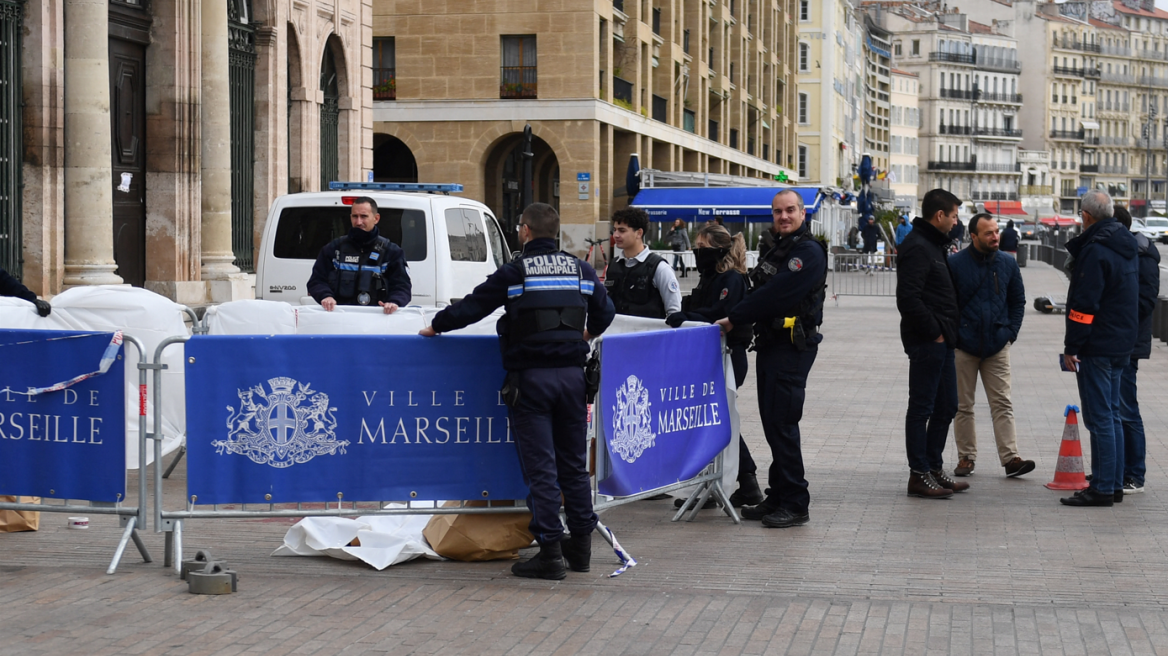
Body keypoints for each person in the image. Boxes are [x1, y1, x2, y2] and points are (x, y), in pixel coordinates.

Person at [419, 203, 615, 579]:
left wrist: (436, 326)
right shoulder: (582, 270)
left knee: (541, 469)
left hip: (533, 381)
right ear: (555, 232)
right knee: (573, 467)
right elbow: (605, 313)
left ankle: (551, 554)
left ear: (525, 231)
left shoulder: (515, 272)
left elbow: (473, 307)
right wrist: (583, 334)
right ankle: (581, 550)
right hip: (574, 380)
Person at [715, 189, 826, 529]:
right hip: (772, 344)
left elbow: (776, 294)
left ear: (803, 213)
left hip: (792, 346)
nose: (784, 217)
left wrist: (734, 317)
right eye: (778, 212)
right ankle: (777, 495)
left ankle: (795, 501)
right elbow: (756, 288)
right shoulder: (778, 247)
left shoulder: (806, 251)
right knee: (773, 421)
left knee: (782, 422)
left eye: (790, 210)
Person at [666, 224, 762, 507]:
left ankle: (747, 479)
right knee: (713, 420)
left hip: (729, 355)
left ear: (719, 249)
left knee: (720, 420)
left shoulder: (731, 278)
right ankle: (713, 482)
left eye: (702, 247)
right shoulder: (711, 277)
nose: (697, 252)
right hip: (711, 356)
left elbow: (720, 313)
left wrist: (685, 316)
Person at [1060, 190, 1139, 508]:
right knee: (1114, 415)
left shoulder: (1095, 249)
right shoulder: (1125, 244)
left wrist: (1072, 345)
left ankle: (1103, 487)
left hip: (1098, 343)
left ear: (1087, 217)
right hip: (1121, 341)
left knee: (1100, 417)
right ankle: (1114, 482)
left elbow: (1085, 304)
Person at [948, 213, 1035, 479]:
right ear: (973, 236)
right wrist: (955, 336)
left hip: (997, 345)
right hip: (964, 346)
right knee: (963, 405)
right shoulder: (955, 264)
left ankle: (1011, 458)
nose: (995, 236)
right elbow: (947, 304)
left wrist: (1011, 333)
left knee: (1002, 404)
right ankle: (966, 458)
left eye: (996, 231)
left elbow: (1018, 301)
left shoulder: (1008, 263)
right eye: (988, 233)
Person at [896, 188, 967, 499]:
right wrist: (934, 331)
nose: (955, 222)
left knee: (948, 404)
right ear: (939, 215)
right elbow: (908, 298)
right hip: (928, 341)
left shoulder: (933, 244)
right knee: (922, 407)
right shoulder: (918, 246)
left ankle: (933, 467)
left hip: (943, 341)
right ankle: (918, 474)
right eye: (953, 216)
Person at [1114, 206, 1158, 495]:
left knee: (1127, 408)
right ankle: (1115, 470)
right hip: (1114, 339)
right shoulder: (1122, 251)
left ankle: (1134, 474)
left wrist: (1113, 316)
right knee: (1112, 409)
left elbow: (1145, 301)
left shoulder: (1141, 254)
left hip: (1127, 341)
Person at [306, 196, 411, 313]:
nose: (358, 222)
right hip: (338, 318)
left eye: (364, 216)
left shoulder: (392, 252)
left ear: (376, 218)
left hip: (377, 320)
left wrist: (394, 302)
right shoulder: (334, 248)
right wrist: (325, 296)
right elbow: (316, 281)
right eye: (355, 216)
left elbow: (402, 287)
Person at [606, 207, 681, 319]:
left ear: (639, 233)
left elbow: (674, 312)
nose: (615, 235)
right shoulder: (613, 265)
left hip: (648, 334)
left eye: (622, 230)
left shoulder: (660, 268)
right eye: (614, 230)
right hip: (615, 333)